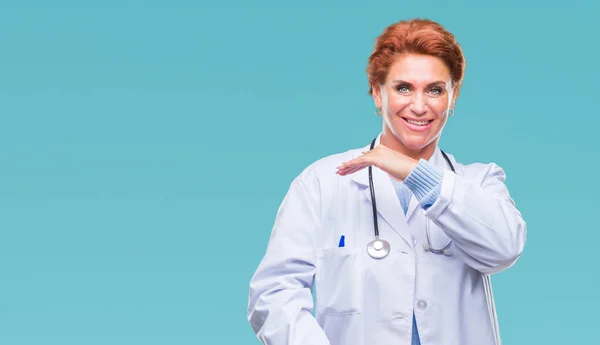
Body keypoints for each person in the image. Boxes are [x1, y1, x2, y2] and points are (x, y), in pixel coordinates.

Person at [246, 18, 527, 345]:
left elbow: (504, 249)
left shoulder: (479, 181)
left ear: (453, 98)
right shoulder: (321, 184)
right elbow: (274, 293)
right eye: (403, 88)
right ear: (378, 94)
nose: (419, 106)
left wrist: (415, 175)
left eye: (435, 90)